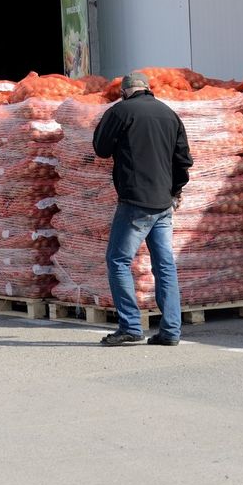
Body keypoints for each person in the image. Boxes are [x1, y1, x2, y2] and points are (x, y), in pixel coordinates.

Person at [92, 71, 193, 347]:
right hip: (163, 203)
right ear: (148, 89)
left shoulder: (121, 111)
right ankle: (171, 330)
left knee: (118, 260)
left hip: (136, 202)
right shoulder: (169, 114)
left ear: (125, 92)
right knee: (164, 264)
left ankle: (131, 326)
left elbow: (100, 148)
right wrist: (176, 191)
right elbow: (183, 160)